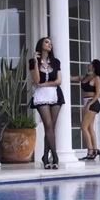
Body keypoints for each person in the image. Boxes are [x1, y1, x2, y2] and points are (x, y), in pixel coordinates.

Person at [29, 37, 64, 169]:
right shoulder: (32, 62)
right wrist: (35, 62)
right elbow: (37, 80)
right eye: (47, 42)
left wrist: (45, 84)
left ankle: (45, 157)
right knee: (48, 125)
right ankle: (55, 156)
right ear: (41, 44)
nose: (50, 44)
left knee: (51, 128)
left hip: (55, 95)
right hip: (41, 96)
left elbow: (59, 81)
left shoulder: (55, 62)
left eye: (51, 43)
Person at [73, 59, 100, 161]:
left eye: (91, 64)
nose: (88, 65)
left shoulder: (97, 78)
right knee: (90, 127)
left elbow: (98, 94)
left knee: (83, 127)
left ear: (94, 67)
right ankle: (95, 150)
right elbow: (75, 78)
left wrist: (89, 104)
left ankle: (90, 151)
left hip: (92, 103)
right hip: (86, 102)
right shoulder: (85, 77)